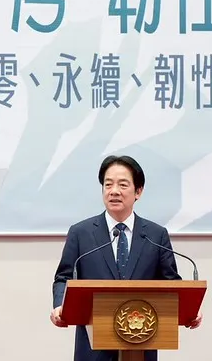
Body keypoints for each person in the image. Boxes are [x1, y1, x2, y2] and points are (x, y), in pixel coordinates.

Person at [50, 154, 202, 361]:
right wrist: (60, 305)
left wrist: (188, 310)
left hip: (141, 344)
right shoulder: (81, 233)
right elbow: (64, 277)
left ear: (138, 191)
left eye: (122, 185)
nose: (114, 191)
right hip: (92, 350)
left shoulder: (156, 235)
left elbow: (170, 283)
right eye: (108, 184)